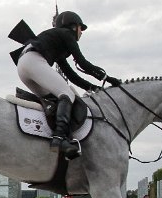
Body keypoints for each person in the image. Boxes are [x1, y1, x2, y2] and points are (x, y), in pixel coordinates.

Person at [15, 11, 121, 160]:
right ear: (73, 26)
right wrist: (107, 78)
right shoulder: (67, 34)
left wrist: (92, 88)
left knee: (55, 100)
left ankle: (48, 136)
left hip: (23, 67)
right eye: (81, 28)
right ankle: (59, 138)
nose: (81, 32)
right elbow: (83, 63)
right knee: (67, 94)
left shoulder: (56, 42)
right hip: (33, 61)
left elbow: (71, 76)